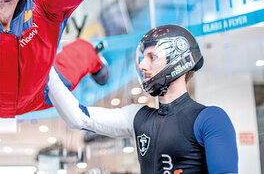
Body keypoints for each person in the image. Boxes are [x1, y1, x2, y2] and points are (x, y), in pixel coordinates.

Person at [47, 25, 238, 173]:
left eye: (152, 57)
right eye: (143, 57)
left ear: (177, 61)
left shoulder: (210, 118)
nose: (142, 65)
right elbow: (77, 117)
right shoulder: (138, 117)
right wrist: (43, 64)